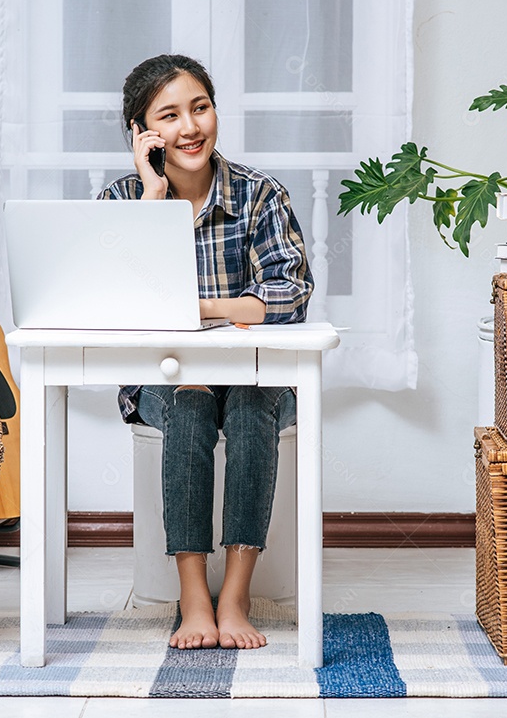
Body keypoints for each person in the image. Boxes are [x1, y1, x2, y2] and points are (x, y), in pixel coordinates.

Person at [99, 54, 313, 650]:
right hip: (165, 381)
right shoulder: (122, 200)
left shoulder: (260, 194)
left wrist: (196, 309)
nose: (190, 127)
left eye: (200, 107)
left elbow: (289, 294)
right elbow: (117, 302)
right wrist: (152, 197)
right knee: (191, 404)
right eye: (169, 116)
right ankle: (194, 595)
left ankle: (236, 595)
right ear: (142, 134)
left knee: (247, 406)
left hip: (255, 377)